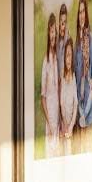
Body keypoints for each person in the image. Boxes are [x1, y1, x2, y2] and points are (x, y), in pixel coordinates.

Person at [74, 0, 92, 147]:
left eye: (84, 12)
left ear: (86, 14)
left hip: (87, 104)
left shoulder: (90, 38)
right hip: (78, 102)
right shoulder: (76, 41)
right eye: (79, 12)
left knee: (88, 147)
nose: (81, 15)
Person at [40, 13, 61, 157]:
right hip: (50, 120)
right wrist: (50, 123)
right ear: (49, 33)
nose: (53, 35)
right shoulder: (46, 61)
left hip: (59, 116)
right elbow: (43, 97)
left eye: (55, 31)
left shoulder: (58, 58)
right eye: (51, 31)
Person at [59, 38, 79, 156]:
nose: (68, 59)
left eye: (70, 56)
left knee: (70, 150)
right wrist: (65, 124)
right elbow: (61, 102)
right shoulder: (62, 76)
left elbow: (75, 103)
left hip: (71, 123)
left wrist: (71, 125)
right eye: (67, 55)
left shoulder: (73, 77)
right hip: (64, 122)